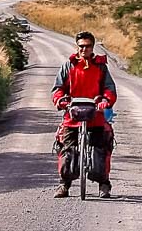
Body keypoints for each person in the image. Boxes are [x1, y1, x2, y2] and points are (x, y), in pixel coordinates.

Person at [50, 30, 117, 198]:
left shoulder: (101, 67)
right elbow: (58, 88)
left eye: (87, 46)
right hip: (72, 117)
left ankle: (104, 185)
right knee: (67, 150)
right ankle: (64, 185)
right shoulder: (68, 66)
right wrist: (60, 100)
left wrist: (105, 101)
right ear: (77, 47)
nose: (84, 49)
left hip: (96, 116)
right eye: (81, 46)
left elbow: (109, 89)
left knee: (101, 150)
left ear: (92, 47)